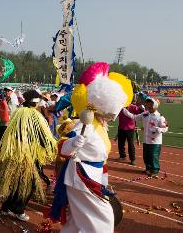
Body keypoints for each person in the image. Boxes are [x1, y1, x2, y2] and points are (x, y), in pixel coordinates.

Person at [49, 62, 133, 233]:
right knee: (103, 218)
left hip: (90, 175)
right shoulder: (83, 125)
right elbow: (63, 149)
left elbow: (101, 157)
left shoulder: (99, 125)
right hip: (81, 176)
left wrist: (104, 179)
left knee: (79, 220)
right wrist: (74, 142)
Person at [0, 89, 57, 222]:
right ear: (36, 103)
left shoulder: (18, 112)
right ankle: (18, 210)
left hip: (14, 153)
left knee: (14, 181)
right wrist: (52, 146)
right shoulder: (34, 116)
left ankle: (6, 207)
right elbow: (42, 136)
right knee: (29, 184)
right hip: (28, 156)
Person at [123, 98, 168, 177]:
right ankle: (148, 168)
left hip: (155, 141)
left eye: (150, 104)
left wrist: (157, 129)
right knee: (146, 156)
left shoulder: (160, 117)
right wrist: (124, 110)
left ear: (155, 106)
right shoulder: (145, 114)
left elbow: (166, 128)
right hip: (146, 140)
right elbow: (134, 117)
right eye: (147, 104)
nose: (148, 106)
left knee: (153, 156)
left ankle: (154, 171)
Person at [116, 96, 143, 165]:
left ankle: (132, 159)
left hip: (130, 129)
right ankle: (122, 156)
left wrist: (141, 108)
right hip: (121, 128)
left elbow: (140, 111)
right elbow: (115, 115)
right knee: (120, 144)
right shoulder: (120, 108)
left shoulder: (132, 107)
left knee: (131, 145)